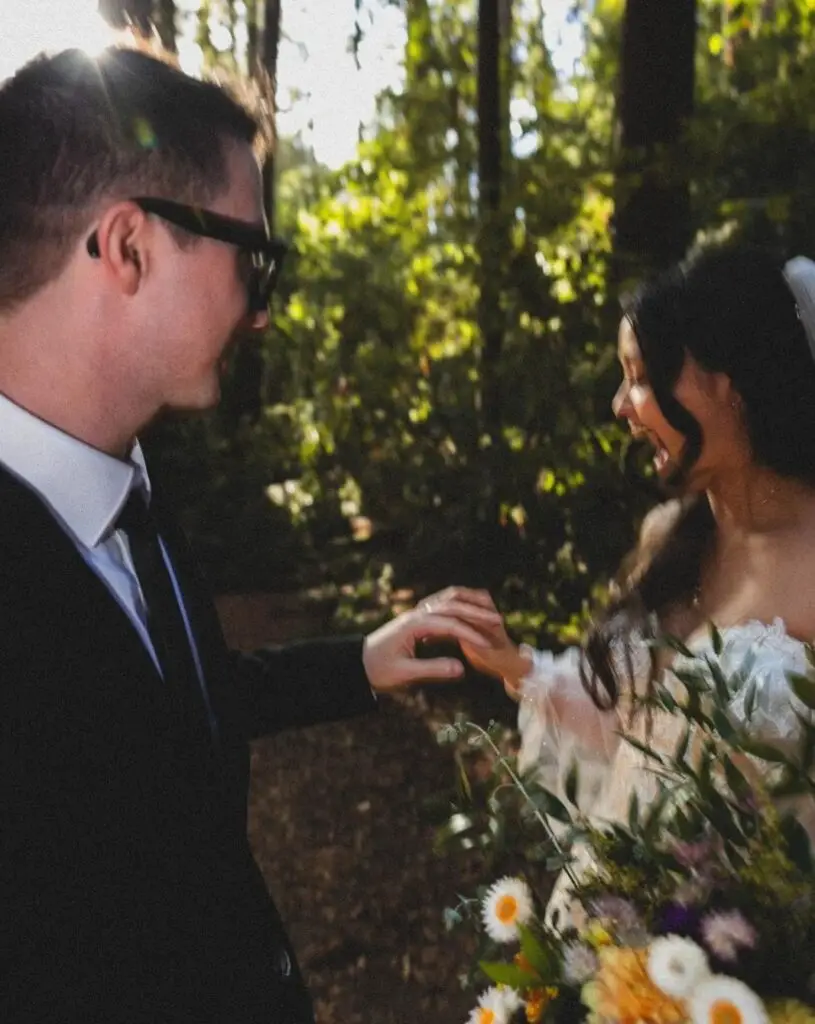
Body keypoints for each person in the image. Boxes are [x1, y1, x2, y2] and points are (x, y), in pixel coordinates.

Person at [0, 46, 500, 1023]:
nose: (260, 313)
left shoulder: (124, 479)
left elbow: (166, 704)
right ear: (130, 248)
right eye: (251, 257)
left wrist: (356, 663)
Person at [426, 243, 815, 918]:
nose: (620, 405)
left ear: (726, 380)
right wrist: (513, 663)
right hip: (607, 934)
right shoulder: (669, 538)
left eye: (639, 377)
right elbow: (635, 727)